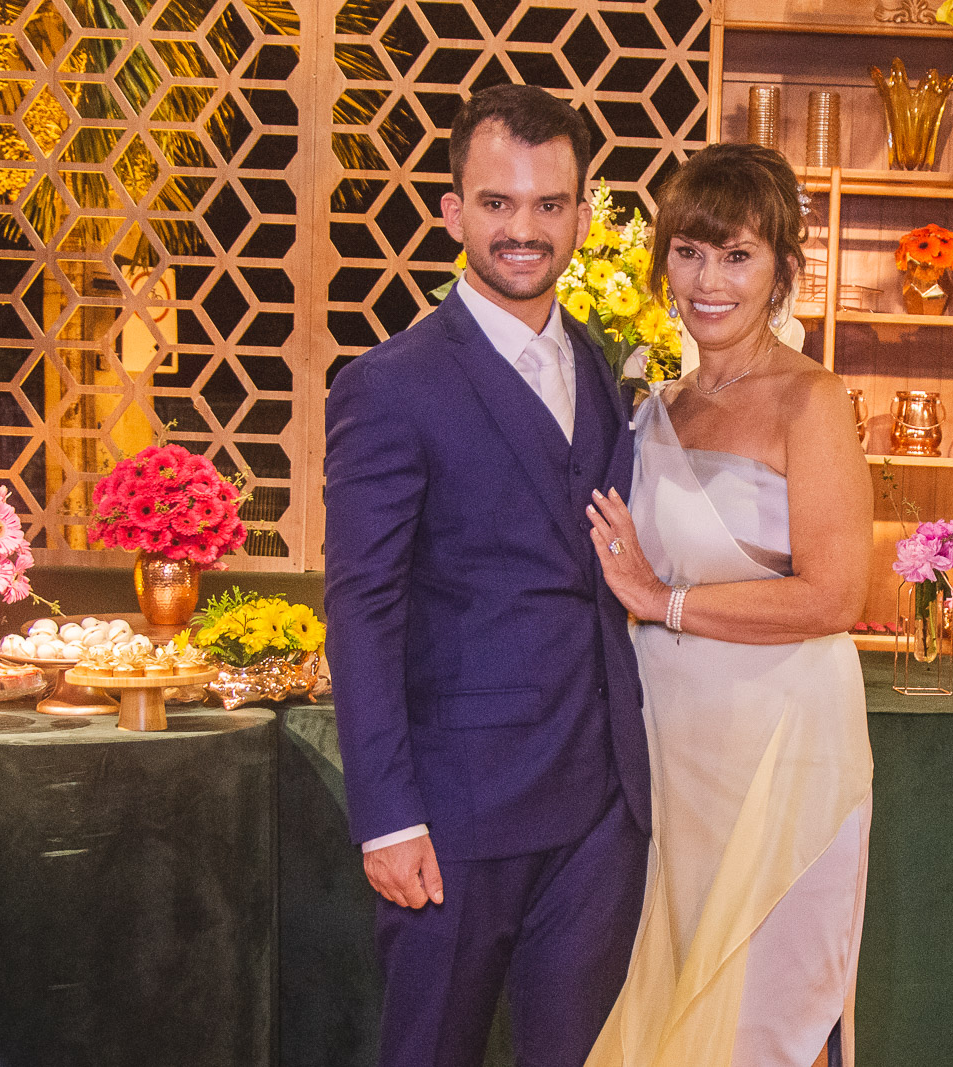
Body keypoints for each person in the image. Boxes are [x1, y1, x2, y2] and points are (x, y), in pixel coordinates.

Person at [324, 84, 651, 1067]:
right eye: (497, 202)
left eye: (549, 204)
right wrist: (387, 815)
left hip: (599, 812)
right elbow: (362, 605)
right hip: (455, 811)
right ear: (452, 211)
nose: (523, 229)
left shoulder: (600, 364)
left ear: (581, 217)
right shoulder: (390, 384)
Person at [583, 143, 875, 1067]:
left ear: (782, 269)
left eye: (737, 256)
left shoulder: (810, 398)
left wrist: (659, 598)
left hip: (784, 743)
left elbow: (835, 595)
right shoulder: (653, 407)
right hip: (674, 748)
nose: (709, 281)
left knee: (768, 1011)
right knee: (671, 995)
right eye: (689, 252)